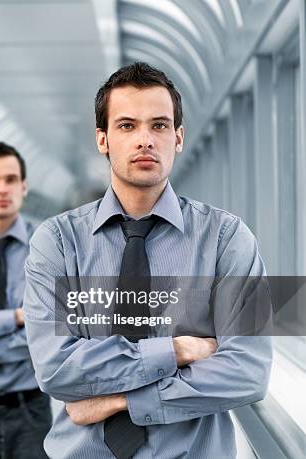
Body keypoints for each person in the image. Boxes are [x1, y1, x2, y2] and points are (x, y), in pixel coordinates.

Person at [23, 62, 273, 458]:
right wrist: (174, 351)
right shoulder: (57, 242)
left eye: (158, 125)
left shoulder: (226, 239)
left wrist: (120, 402)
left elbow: (248, 372)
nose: (145, 140)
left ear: (178, 138)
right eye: (127, 126)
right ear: (103, 140)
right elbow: (56, 368)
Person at [0, 142, 51, 458]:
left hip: (28, 408)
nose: (2, 189)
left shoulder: (47, 249)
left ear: (24, 186)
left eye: (10, 179)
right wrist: (16, 318)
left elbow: (50, 329)